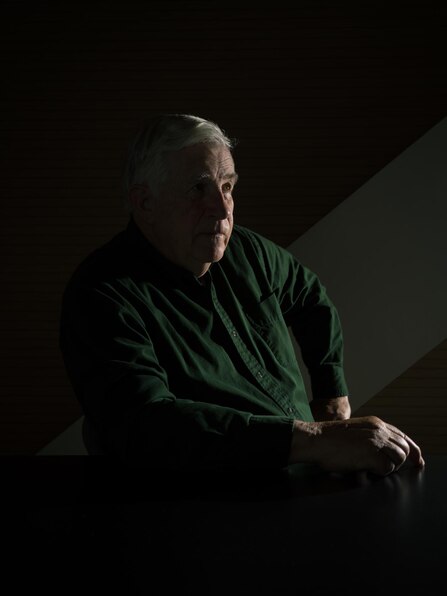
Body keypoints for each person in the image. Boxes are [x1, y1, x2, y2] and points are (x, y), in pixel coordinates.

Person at [59, 113, 424, 477]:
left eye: (228, 187)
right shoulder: (102, 296)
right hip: (210, 505)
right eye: (198, 188)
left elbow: (312, 297)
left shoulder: (246, 251)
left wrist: (332, 399)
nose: (222, 209)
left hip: (307, 475)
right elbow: (148, 425)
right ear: (145, 203)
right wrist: (314, 438)